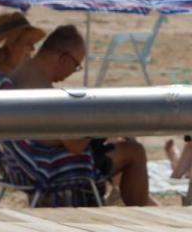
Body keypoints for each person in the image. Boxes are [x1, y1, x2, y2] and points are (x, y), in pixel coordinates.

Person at [10, 25, 157, 207]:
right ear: (64, 58)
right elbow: (75, 145)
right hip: (50, 167)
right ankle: (140, 211)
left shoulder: (22, 74)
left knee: (116, 142)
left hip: (24, 162)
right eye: (76, 66)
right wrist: (101, 126)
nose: (73, 71)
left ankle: (130, 201)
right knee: (134, 151)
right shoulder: (42, 91)